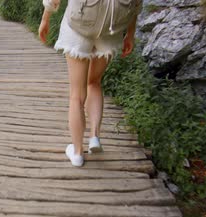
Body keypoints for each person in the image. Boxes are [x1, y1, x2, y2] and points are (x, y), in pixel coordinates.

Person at [39, 0, 142, 167]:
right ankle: (94, 136)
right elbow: (136, 3)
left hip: (79, 27)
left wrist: (45, 18)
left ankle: (78, 153)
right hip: (111, 28)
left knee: (76, 96)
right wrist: (130, 33)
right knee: (94, 82)